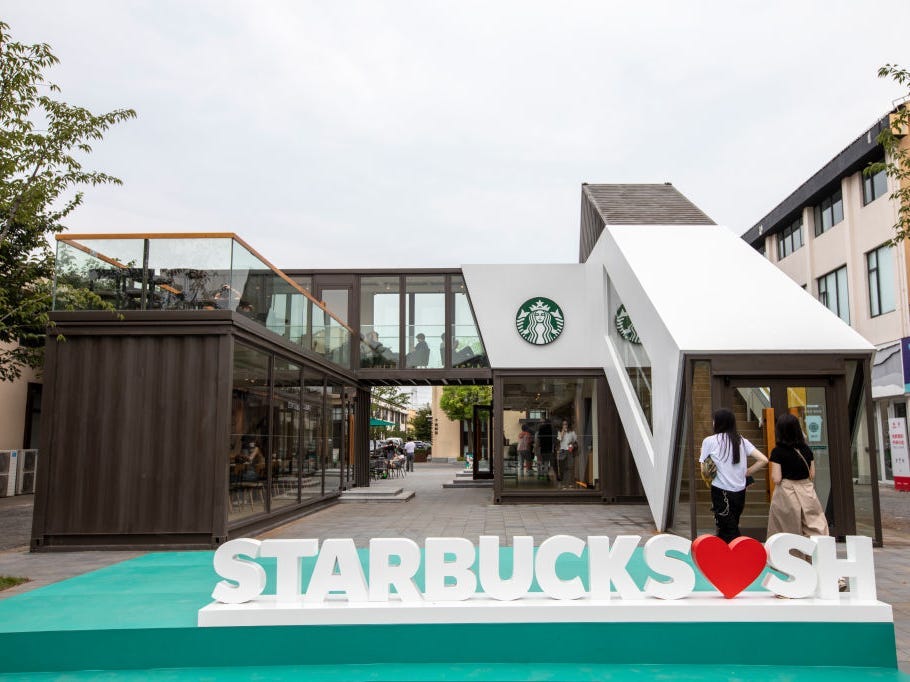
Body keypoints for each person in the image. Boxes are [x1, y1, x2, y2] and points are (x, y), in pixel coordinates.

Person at [699, 408, 768, 542]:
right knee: (730, 526)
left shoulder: (709, 441)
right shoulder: (741, 440)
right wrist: (747, 472)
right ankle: (725, 556)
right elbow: (763, 459)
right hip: (740, 492)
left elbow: (703, 469)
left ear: (717, 423)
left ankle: (740, 554)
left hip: (720, 491)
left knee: (728, 529)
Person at [766, 413, 829, 539]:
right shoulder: (806, 450)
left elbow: (776, 478)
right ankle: (812, 556)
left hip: (787, 492)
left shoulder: (778, 452)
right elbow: (812, 474)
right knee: (813, 525)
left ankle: (792, 556)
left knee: (787, 529)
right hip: (806, 491)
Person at [557, 419, 578, 487]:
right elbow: (560, 439)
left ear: (568, 425)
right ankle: (563, 483)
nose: (565, 425)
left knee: (570, 467)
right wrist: (563, 431)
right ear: (562, 425)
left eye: (566, 424)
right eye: (563, 424)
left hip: (569, 450)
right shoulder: (560, 432)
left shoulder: (572, 432)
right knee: (562, 467)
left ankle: (569, 483)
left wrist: (571, 444)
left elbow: (575, 441)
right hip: (562, 451)